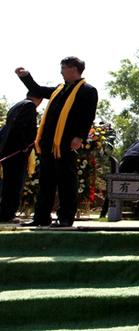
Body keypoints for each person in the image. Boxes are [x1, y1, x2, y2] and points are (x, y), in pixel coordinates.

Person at [16, 57, 98, 227]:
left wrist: (79, 136)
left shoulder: (87, 90)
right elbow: (37, 89)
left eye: (63, 68)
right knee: (46, 182)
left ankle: (66, 218)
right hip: (48, 143)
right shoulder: (58, 89)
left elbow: (88, 116)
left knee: (66, 182)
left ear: (74, 69)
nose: (61, 71)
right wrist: (25, 76)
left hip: (66, 143)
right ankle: (41, 217)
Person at [0, 92, 42, 222]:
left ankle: (5, 212)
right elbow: (20, 127)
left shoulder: (17, 105)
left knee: (8, 184)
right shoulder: (29, 106)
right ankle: (8, 214)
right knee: (14, 184)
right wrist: (24, 145)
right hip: (17, 152)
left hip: (8, 149)